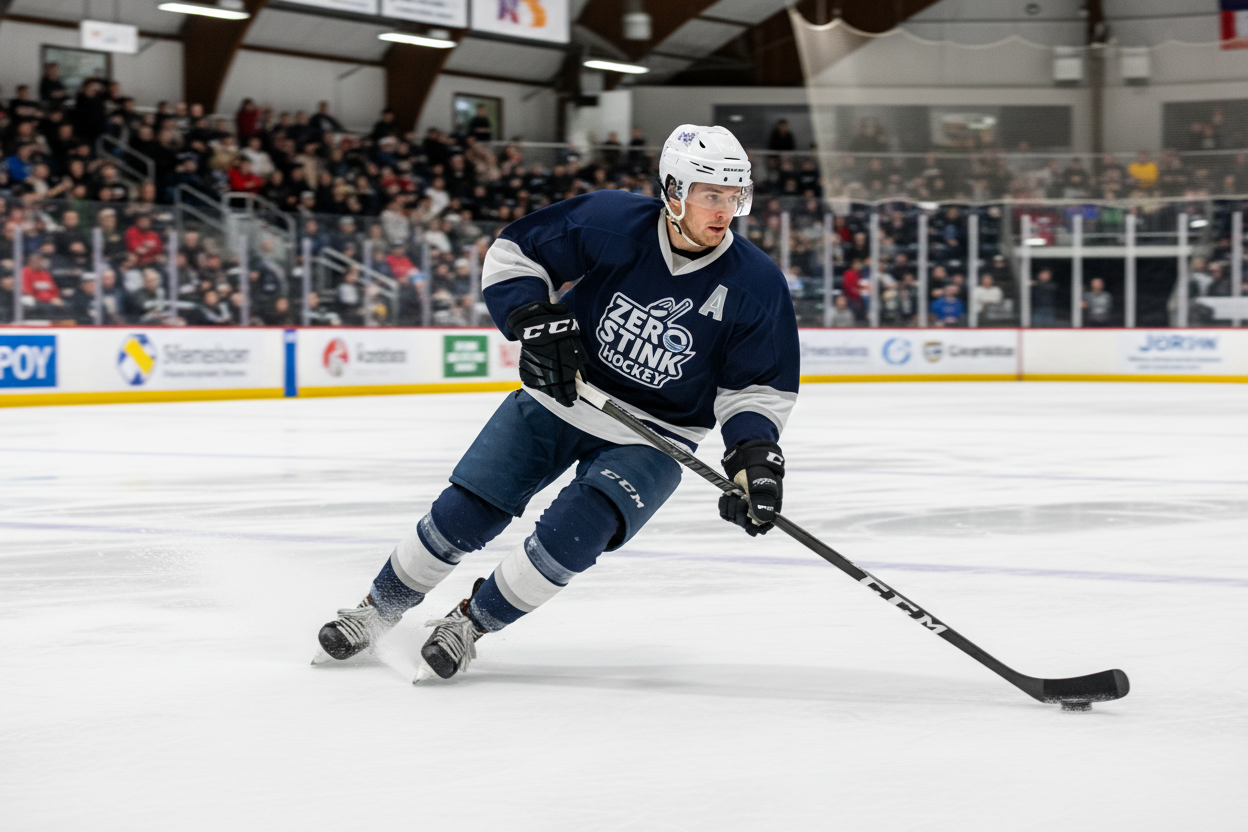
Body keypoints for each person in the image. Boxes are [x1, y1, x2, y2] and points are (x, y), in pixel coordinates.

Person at [313, 124, 799, 682]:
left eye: (734, 196)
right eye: (711, 194)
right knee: (468, 509)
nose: (724, 211)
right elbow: (515, 253)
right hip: (561, 395)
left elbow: (758, 387)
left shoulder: (757, 284)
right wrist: (533, 319)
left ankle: (468, 626)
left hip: (656, 434)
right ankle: (377, 613)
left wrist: (754, 459)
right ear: (673, 190)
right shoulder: (612, 221)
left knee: (576, 532)